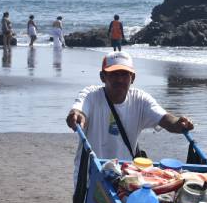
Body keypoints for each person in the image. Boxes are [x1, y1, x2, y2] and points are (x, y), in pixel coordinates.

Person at [65, 51, 194, 173]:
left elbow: (165, 119)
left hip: (125, 173)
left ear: (132, 78)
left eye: (124, 74)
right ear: (102, 77)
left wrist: (178, 123)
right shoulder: (91, 95)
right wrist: (76, 116)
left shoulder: (140, 100)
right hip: (90, 173)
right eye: (114, 74)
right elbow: (79, 110)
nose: (120, 80)